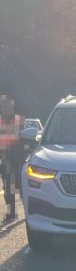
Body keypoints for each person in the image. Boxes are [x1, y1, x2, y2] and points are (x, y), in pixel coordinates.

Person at [0, 94, 25, 222]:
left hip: (17, 158)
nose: (6, 108)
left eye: (8, 106)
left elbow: (24, 140)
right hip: (4, 158)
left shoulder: (19, 120)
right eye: (3, 106)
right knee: (7, 187)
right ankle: (11, 213)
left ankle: (28, 210)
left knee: (21, 186)